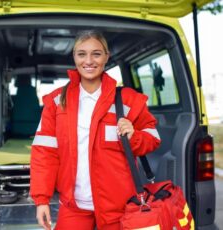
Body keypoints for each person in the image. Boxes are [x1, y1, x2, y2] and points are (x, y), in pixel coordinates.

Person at [30, 30, 161, 230]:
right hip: (74, 207)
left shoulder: (128, 100)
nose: (89, 61)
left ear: (106, 57)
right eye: (81, 54)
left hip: (120, 207)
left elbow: (153, 138)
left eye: (96, 54)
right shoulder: (56, 102)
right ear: (74, 57)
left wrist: (135, 136)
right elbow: (44, 153)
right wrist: (41, 200)